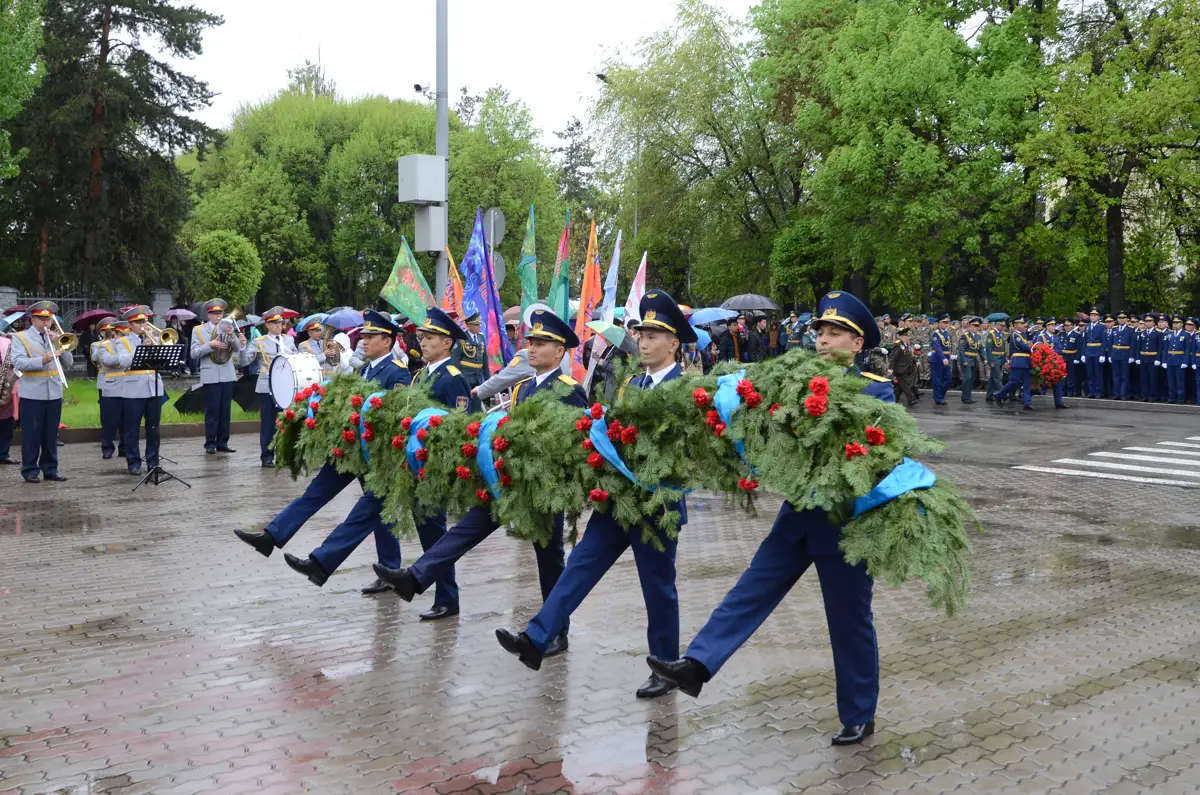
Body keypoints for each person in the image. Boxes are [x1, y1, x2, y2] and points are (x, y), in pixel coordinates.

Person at [646, 290, 895, 747]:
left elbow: (877, 453)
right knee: (749, 591)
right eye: (820, 331)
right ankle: (697, 666)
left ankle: (859, 714)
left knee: (849, 621)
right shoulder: (793, 384)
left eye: (835, 333)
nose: (822, 340)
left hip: (847, 525)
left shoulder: (875, 388)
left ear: (858, 344)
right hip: (798, 513)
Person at [495, 290, 695, 699]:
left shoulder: (687, 388)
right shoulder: (630, 383)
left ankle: (665, 665)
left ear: (674, 343)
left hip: (657, 505)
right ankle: (537, 638)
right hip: (617, 499)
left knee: (657, 588)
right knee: (579, 567)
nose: (643, 340)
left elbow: (688, 451)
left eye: (654, 334)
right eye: (641, 332)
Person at [374, 308, 587, 645]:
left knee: (549, 560)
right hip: (509, 483)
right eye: (529, 341)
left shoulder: (568, 390)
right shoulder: (523, 388)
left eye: (540, 343)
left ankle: (556, 632)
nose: (530, 348)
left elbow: (576, 442)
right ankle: (414, 578)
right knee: (466, 529)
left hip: (543, 488)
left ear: (559, 351)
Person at [233, 310, 423, 596]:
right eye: (365, 336)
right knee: (316, 493)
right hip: (350, 448)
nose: (365, 341)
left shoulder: (396, 371)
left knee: (376, 511)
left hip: (373, 454)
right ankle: (271, 537)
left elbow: (391, 416)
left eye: (371, 337)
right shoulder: (366, 368)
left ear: (388, 340)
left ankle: (388, 568)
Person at [10, 301, 73, 483]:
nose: (46, 323)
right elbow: (19, 363)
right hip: (32, 393)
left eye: (49, 319)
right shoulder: (21, 338)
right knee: (32, 434)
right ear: (33, 320)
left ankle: (51, 469)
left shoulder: (54, 337)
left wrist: (61, 344)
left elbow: (68, 363)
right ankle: (30, 470)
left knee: (51, 434)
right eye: (42, 319)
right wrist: (42, 359)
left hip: (54, 392)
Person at [114, 306, 167, 476]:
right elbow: (122, 362)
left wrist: (158, 346)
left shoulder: (155, 338)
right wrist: (141, 348)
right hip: (133, 390)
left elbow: (165, 360)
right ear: (130, 325)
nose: (143, 325)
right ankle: (133, 462)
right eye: (138, 322)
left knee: (154, 427)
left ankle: (153, 461)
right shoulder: (122, 341)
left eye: (145, 321)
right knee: (132, 428)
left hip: (154, 388)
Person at [190, 299, 246, 454]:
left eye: (220, 313)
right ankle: (210, 443)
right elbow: (194, 353)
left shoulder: (228, 327)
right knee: (212, 411)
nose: (218, 316)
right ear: (208, 314)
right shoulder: (198, 330)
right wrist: (210, 345)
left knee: (225, 411)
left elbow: (236, 349)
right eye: (215, 313)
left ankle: (223, 442)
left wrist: (233, 336)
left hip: (227, 374)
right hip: (211, 374)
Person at [248, 307, 299, 467]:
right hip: (267, 387)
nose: (279, 325)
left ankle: (285, 454)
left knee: (286, 422)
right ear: (268, 325)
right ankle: (267, 456)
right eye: (275, 323)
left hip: (286, 386)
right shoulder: (260, 342)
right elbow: (245, 361)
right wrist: (243, 347)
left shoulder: (288, 340)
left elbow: (296, 357)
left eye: (281, 322)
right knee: (269, 424)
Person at [90, 316, 124, 461]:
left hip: (125, 382)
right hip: (106, 383)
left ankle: (124, 447)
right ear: (100, 332)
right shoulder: (97, 345)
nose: (109, 332)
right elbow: (95, 359)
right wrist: (106, 343)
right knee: (108, 418)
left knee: (125, 418)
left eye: (112, 329)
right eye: (105, 330)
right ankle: (107, 447)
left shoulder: (123, 343)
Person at [994, 315, 1034, 410]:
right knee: (1014, 382)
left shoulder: (1024, 334)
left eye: (1024, 323)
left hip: (1026, 362)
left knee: (1027, 383)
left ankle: (1027, 403)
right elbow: (1024, 346)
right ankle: (999, 395)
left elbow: (1030, 342)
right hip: (1018, 361)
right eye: (1022, 323)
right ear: (1015, 325)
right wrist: (1031, 347)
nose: (1024, 325)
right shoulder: (1015, 335)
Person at [452, 311, 490, 393]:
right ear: (469, 326)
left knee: (477, 402)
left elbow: (484, 360)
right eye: (476, 324)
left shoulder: (481, 337)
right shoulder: (462, 338)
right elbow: (455, 360)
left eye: (479, 324)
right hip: (466, 376)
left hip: (478, 378)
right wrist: (459, 378)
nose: (479, 326)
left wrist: (487, 379)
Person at [0, 331, 19, 466]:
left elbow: (15, 361)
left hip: (6, 384)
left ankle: (3, 453)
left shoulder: (7, 341)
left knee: (6, 422)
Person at [1164, 314, 1190, 405]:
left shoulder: (1186, 335)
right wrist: (1164, 360)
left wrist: (1185, 361)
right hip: (1170, 360)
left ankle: (1180, 398)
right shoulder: (1169, 334)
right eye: (1174, 323)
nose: (1175, 324)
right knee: (1170, 381)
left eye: (1177, 323)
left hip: (1180, 360)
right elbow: (1166, 349)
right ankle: (1172, 397)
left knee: (1180, 381)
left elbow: (1187, 350)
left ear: (1182, 324)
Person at [889, 327, 918, 405]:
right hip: (900, 369)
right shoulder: (897, 344)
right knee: (906, 385)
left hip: (906, 368)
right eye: (907, 336)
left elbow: (909, 356)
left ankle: (894, 399)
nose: (908, 338)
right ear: (902, 336)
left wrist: (916, 361)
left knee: (899, 387)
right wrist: (890, 368)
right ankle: (911, 399)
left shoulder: (905, 345)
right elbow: (893, 357)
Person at [1082, 307, 1106, 399]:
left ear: (1098, 317)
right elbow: (1084, 341)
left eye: (1095, 315)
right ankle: (1091, 391)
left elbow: (1104, 341)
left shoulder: (1102, 326)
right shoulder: (1087, 326)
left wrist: (1102, 354)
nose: (1092, 317)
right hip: (1088, 351)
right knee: (1090, 373)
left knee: (1098, 373)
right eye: (1091, 315)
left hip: (1097, 351)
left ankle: (1098, 392)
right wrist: (1083, 354)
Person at [958, 317, 982, 403]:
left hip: (974, 359)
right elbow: (961, 349)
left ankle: (968, 397)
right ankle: (965, 397)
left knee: (972, 380)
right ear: (970, 326)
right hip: (967, 359)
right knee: (967, 378)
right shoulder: (965, 336)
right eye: (974, 325)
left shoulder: (978, 336)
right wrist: (963, 360)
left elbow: (980, 349)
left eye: (978, 326)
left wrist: (985, 359)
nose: (976, 327)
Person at [929, 314, 951, 405]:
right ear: (939, 323)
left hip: (946, 358)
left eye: (947, 323)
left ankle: (938, 395)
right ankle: (938, 398)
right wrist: (943, 358)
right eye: (944, 322)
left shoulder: (946, 333)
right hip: (938, 359)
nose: (946, 324)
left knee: (948, 379)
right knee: (937, 380)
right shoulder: (936, 333)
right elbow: (936, 346)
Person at [984, 320, 1008, 402]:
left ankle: (989, 395)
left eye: (1003, 326)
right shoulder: (991, 334)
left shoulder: (1001, 334)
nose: (1003, 327)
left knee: (992, 378)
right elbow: (988, 349)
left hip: (1001, 358)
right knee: (997, 377)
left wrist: (1004, 359)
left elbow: (1004, 348)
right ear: (997, 325)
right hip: (994, 358)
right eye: (1001, 325)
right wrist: (990, 361)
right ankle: (1003, 393)